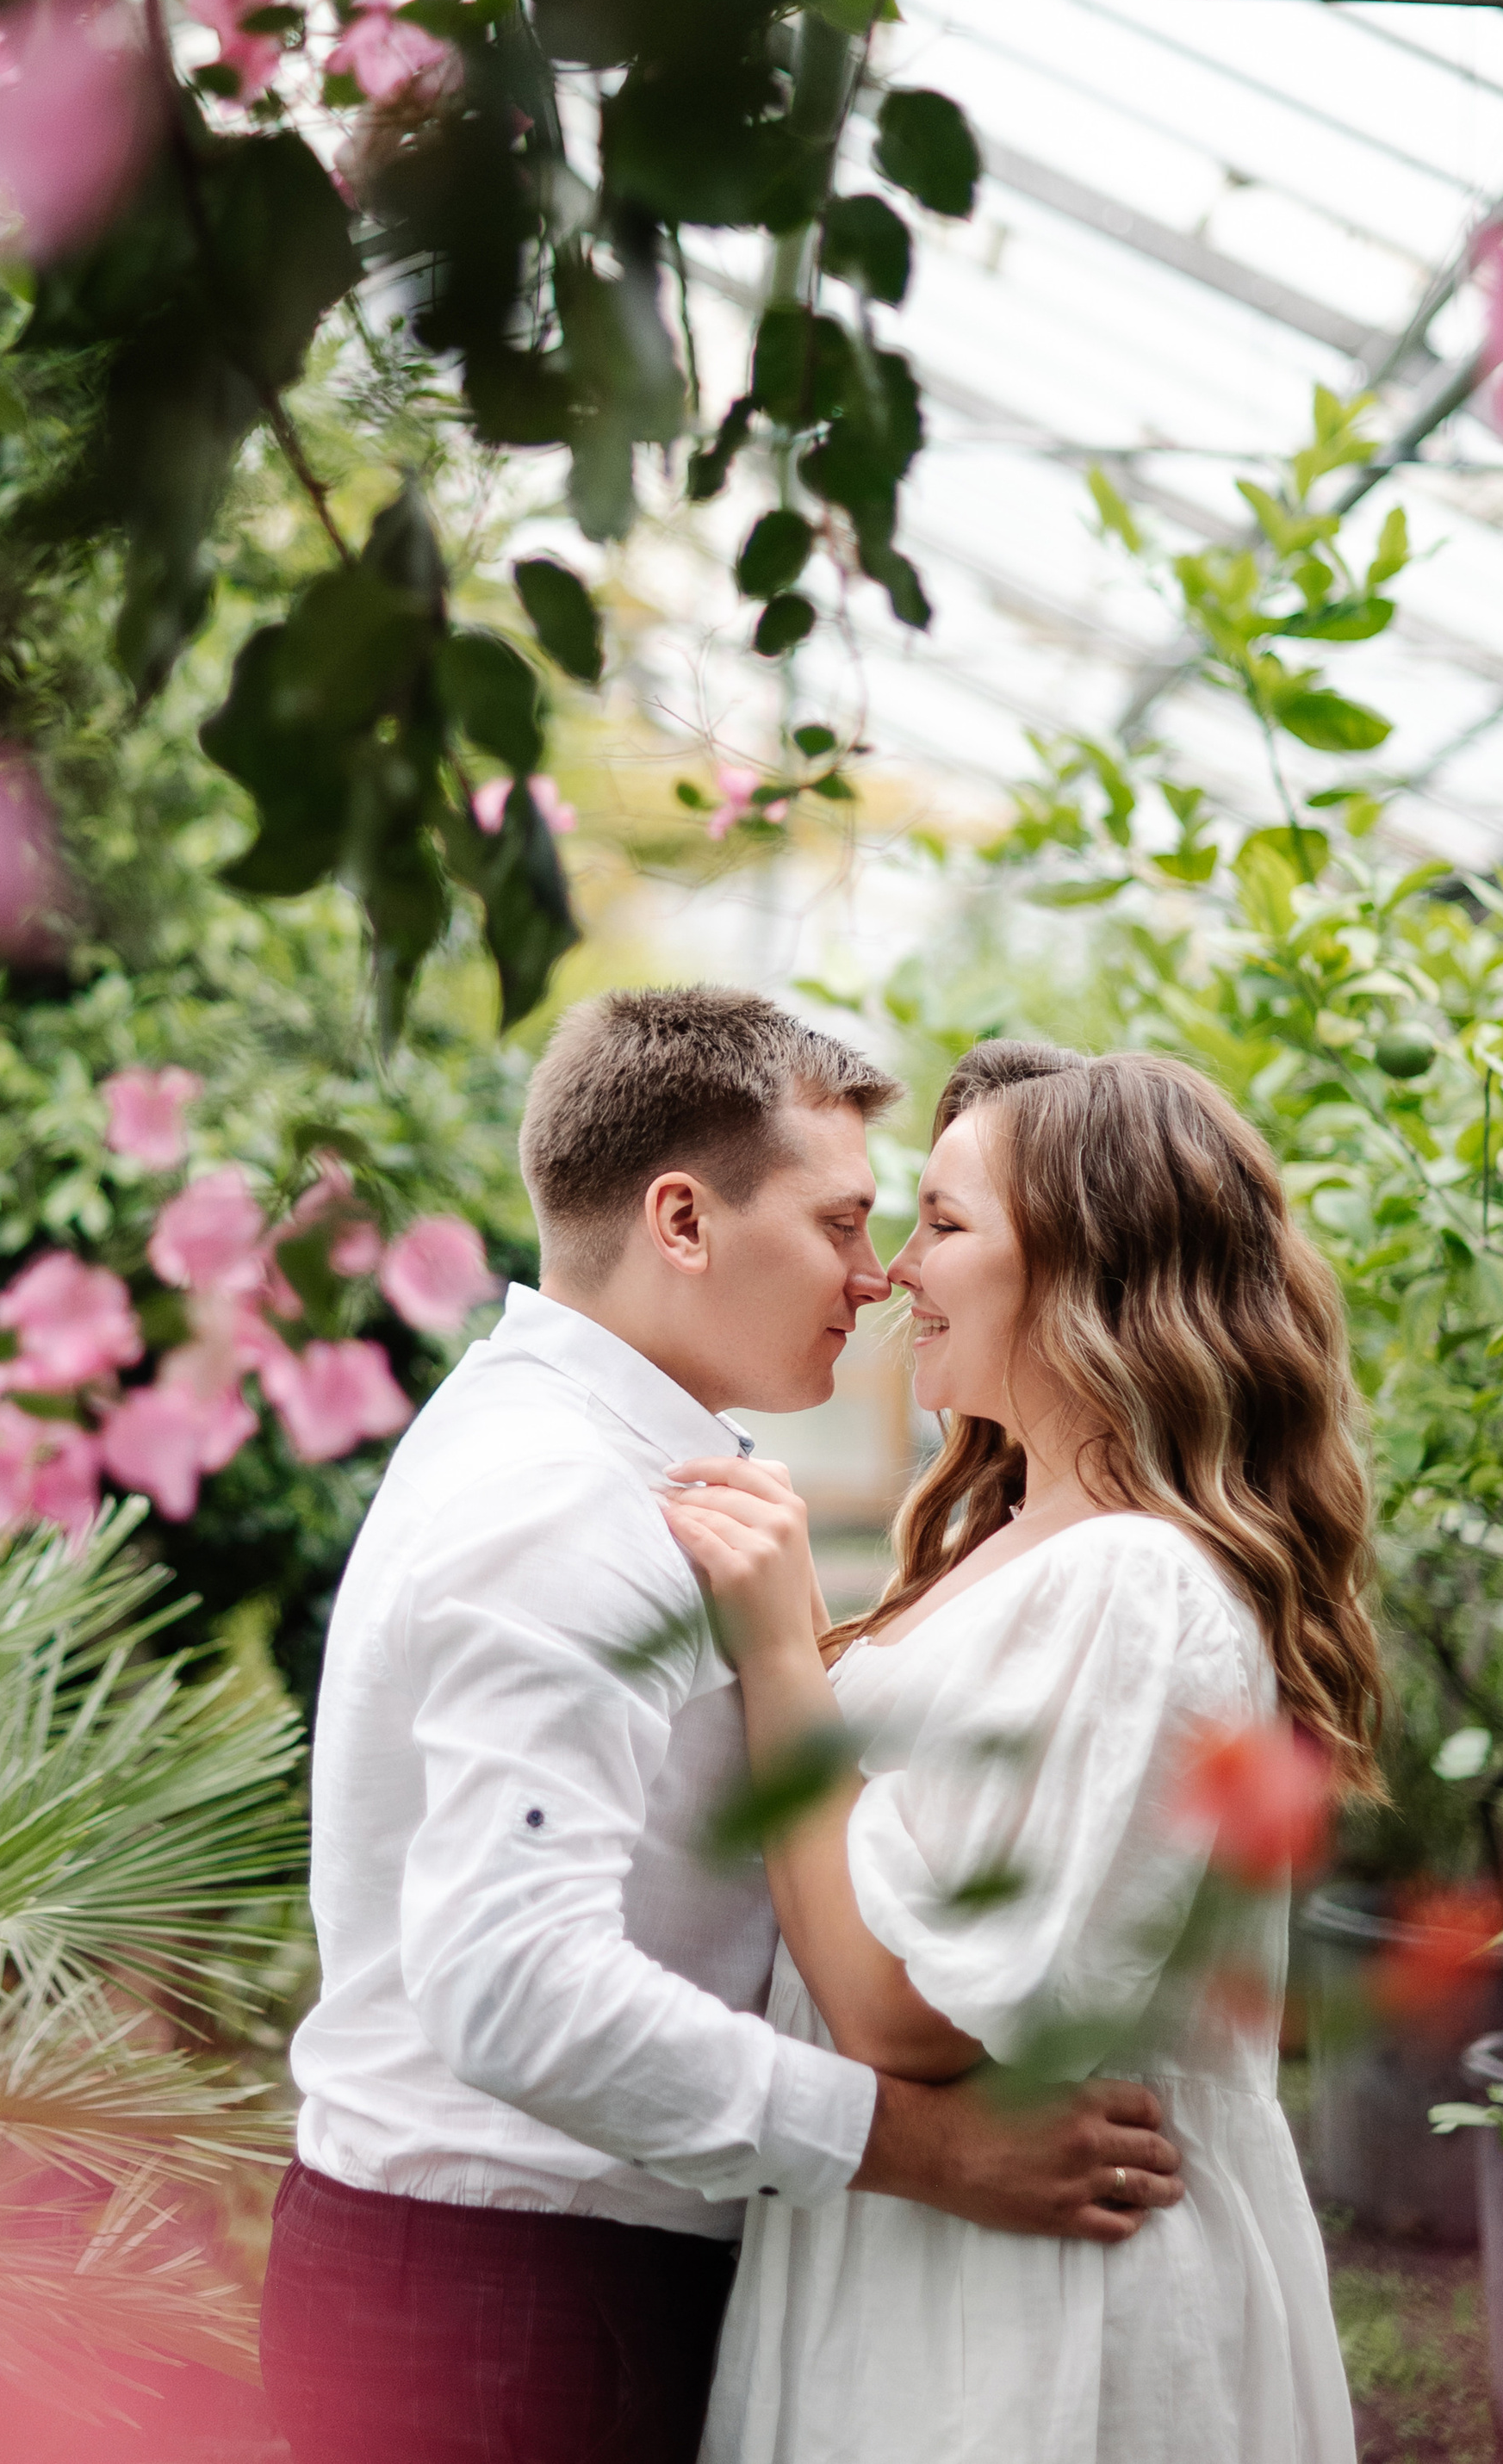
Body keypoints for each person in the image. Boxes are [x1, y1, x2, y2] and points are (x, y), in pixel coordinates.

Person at [261, 994, 1187, 2464]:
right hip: (517, 2294)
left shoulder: (605, 1452)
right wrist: (928, 2149)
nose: (878, 1277)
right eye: (840, 1222)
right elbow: (510, 1985)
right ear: (681, 1219)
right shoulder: (565, 1500)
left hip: (519, 2273)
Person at [663, 1040, 1376, 2464]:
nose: (891, 1273)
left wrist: (782, 1656)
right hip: (928, 2258)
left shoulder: (1138, 1584)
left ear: (1086, 1268)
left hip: (1034, 2309)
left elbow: (906, 2010)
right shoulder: (1010, 1551)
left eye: (941, 1221)